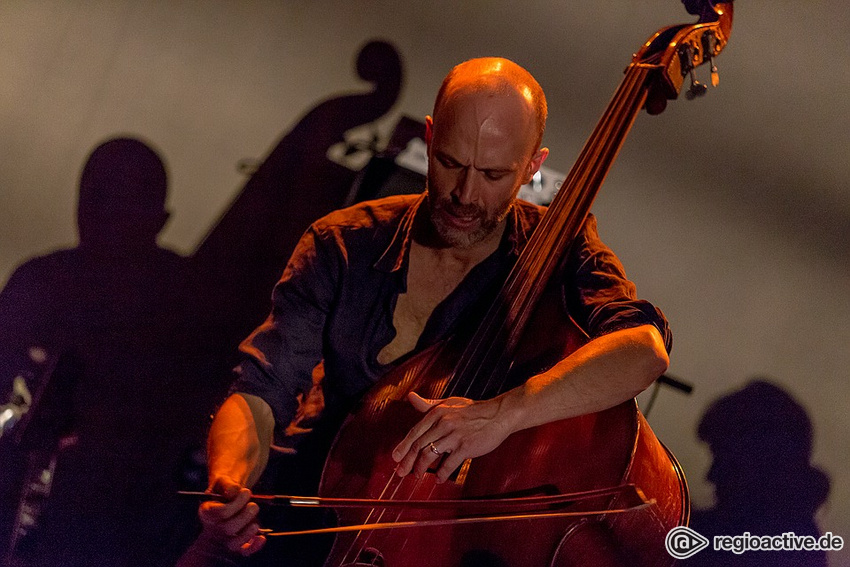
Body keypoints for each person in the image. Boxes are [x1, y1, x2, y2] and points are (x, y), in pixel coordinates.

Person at [187, 57, 672, 564]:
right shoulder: (344, 242)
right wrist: (229, 481)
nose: (465, 194)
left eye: (492, 174)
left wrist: (500, 417)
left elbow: (642, 351)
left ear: (532, 164)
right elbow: (261, 393)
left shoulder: (562, 251)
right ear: (430, 137)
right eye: (450, 163)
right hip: (298, 514)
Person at [0, 138, 218, 567]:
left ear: (159, 219)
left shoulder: (190, 301)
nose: (108, 221)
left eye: (124, 207)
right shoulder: (39, 281)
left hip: (128, 526)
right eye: (98, 202)